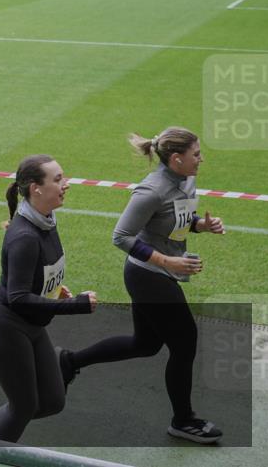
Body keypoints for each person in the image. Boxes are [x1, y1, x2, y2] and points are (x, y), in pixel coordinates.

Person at [58, 127, 225, 444]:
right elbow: (120, 236)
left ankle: (69, 361)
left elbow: (175, 220)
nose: (201, 159)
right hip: (147, 276)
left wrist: (202, 225)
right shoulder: (152, 190)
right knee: (185, 342)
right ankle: (183, 420)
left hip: (160, 273)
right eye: (196, 154)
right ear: (176, 159)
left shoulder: (187, 179)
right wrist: (167, 261)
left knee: (145, 344)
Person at [0, 155, 96, 443]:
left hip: (32, 327)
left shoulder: (46, 221)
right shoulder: (25, 236)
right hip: (8, 329)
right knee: (23, 407)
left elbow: (35, 276)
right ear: (36, 188)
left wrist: (53, 289)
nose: (66, 184)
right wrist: (74, 305)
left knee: (53, 401)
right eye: (57, 179)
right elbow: (18, 297)